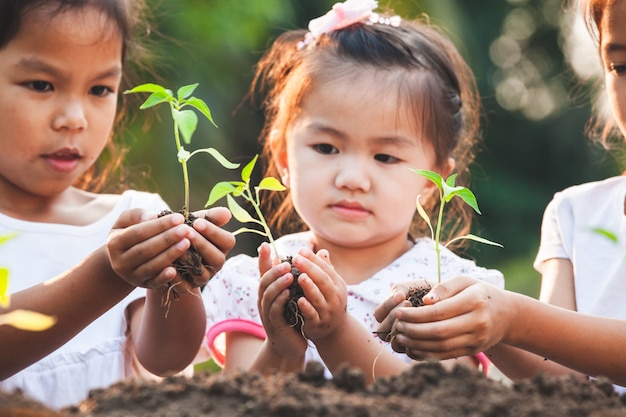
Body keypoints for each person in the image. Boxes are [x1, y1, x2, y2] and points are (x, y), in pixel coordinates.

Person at [202, 0, 503, 383]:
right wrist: (282, 346)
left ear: (434, 180)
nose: (353, 178)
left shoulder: (448, 288)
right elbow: (236, 403)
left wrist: (336, 332)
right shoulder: (260, 279)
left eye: (385, 156)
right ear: (284, 158)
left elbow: (445, 400)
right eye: (327, 148)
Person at [373, 0, 626, 390]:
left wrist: (513, 317)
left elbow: (527, 322)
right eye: (622, 67)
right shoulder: (575, 213)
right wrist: (480, 321)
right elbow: (565, 383)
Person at [0, 0, 235, 409]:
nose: (75, 118)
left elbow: (165, 362)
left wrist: (180, 276)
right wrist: (108, 274)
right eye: (41, 84)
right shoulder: (116, 249)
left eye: (99, 89)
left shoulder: (131, 218)